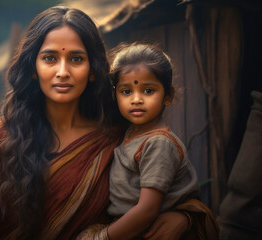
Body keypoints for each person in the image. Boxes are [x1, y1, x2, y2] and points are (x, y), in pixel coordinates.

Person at [0, 6, 218, 240]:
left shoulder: (117, 138)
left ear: (93, 70)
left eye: (76, 59)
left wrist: (184, 219)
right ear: (33, 68)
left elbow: (176, 196)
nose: (63, 71)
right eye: (50, 58)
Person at [77, 43, 219, 240]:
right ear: (114, 94)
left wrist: (103, 237)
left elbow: (147, 209)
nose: (136, 99)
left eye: (148, 91)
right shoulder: (128, 134)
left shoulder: (158, 143)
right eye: (126, 92)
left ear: (168, 96)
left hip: (148, 229)